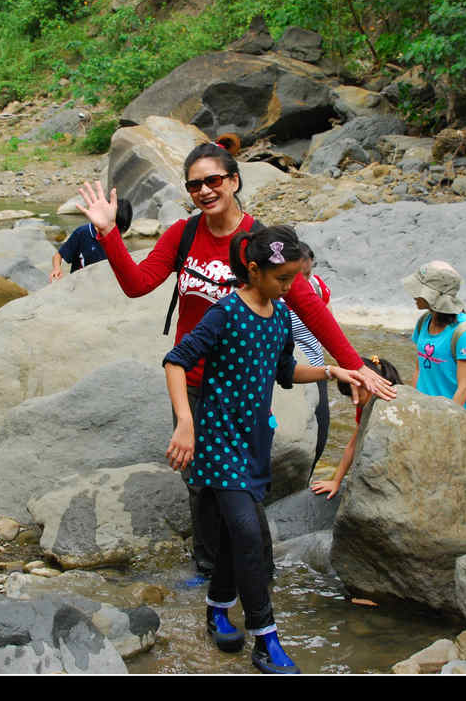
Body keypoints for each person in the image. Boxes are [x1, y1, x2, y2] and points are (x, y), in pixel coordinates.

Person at [75, 139, 396, 579]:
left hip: (243, 387)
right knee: (199, 481)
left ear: (234, 181)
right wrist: (109, 233)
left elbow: (308, 305)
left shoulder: (260, 244)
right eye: (194, 185)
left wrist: (354, 363)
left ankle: (250, 570)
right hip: (192, 381)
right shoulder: (183, 234)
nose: (204, 191)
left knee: (242, 483)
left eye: (213, 180)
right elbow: (138, 284)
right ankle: (210, 570)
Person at [164, 224, 359, 674]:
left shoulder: (281, 315)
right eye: (282, 278)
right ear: (253, 270)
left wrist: (332, 372)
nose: (289, 287)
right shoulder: (226, 311)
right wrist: (186, 423)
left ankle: (217, 608)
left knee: (237, 534)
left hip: (254, 441)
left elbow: (285, 370)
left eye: (294, 279)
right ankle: (265, 639)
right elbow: (176, 361)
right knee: (250, 535)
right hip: (217, 441)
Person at [310, 355, 401, 500]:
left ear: (370, 384)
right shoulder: (364, 406)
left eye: (358, 394)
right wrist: (336, 481)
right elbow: (352, 445)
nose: (354, 401)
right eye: (350, 396)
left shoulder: (391, 402)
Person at [402, 260, 466, 413]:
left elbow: (464, 389)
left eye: (420, 290)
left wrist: (444, 421)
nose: (413, 295)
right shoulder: (424, 321)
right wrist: (413, 407)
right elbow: (418, 370)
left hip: (450, 415)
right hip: (424, 410)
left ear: (435, 295)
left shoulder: (465, 334)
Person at [286, 241, 334, 477]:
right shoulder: (276, 295)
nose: (306, 280)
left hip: (316, 371)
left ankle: (305, 482)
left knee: (320, 433)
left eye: (309, 273)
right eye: (300, 276)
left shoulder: (316, 286)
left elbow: (328, 326)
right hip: (286, 376)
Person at [50, 198, 133, 281]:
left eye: (119, 232)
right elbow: (58, 255)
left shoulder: (117, 239)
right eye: (114, 230)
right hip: (80, 282)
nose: (115, 234)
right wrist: (57, 269)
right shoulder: (82, 233)